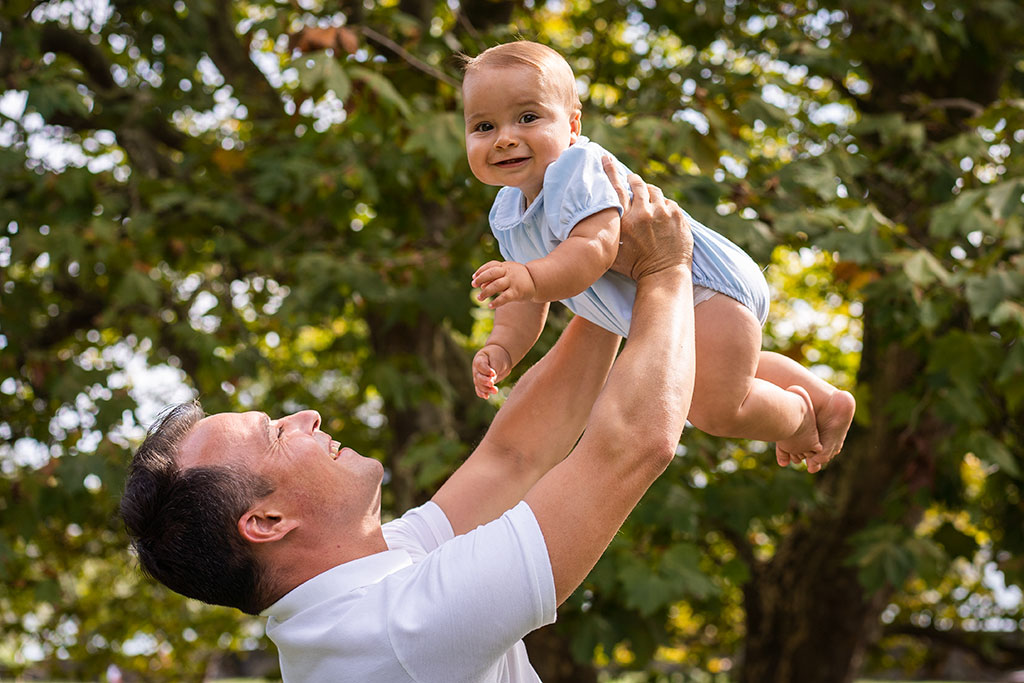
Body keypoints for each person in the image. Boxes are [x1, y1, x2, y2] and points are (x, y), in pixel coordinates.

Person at [121, 165, 701, 682]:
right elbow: (631, 448)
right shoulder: (394, 636)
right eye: (276, 434)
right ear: (268, 521)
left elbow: (515, 455)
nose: (306, 416)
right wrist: (665, 267)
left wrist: (597, 274)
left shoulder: (365, 582)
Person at [462, 41, 855, 471]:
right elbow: (526, 302)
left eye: (527, 118)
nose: (504, 139)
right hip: (683, 301)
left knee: (713, 408)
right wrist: (502, 346)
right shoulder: (507, 213)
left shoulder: (576, 170)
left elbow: (595, 248)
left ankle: (797, 419)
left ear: (573, 125)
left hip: (703, 286)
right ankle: (825, 400)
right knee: (718, 370)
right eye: (483, 126)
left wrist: (530, 278)